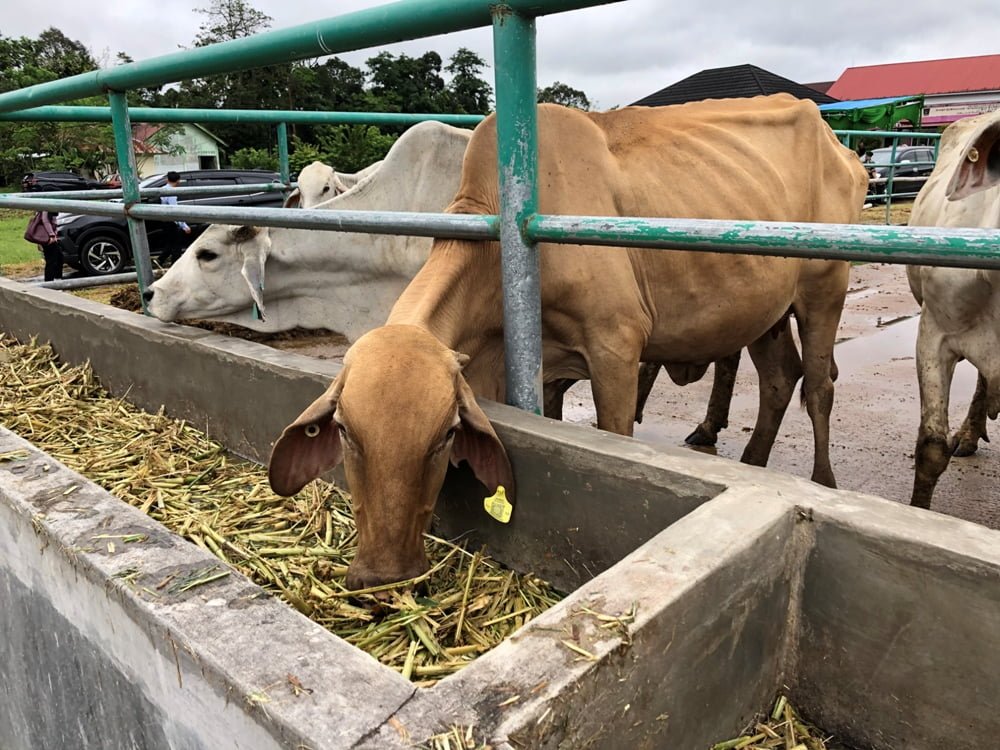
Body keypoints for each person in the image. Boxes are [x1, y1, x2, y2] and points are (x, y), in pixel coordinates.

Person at [160, 171, 191, 264]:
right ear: (178, 181)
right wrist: (184, 226)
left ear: (167, 179)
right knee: (177, 245)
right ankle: (175, 264)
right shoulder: (172, 193)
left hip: (164, 220)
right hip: (172, 222)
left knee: (170, 243)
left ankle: (160, 260)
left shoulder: (163, 189)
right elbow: (175, 211)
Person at [32, 210, 62, 281]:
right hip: (48, 237)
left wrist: (55, 233)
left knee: (59, 258)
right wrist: (51, 234)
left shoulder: (51, 205)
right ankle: (50, 282)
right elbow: (45, 220)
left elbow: (53, 219)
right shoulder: (46, 206)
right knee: (52, 260)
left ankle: (57, 280)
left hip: (50, 235)